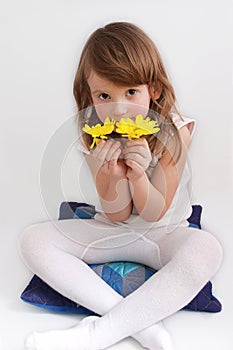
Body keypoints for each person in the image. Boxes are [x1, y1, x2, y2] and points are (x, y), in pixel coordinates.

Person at [20, 22, 223, 350]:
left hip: (166, 233)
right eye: (104, 95)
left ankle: (97, 334)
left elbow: (154, 212)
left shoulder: (175, 131)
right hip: (112, 231)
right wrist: (111, 174)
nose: (118, 109)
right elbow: (116, 214)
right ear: (89, 96)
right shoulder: (95, 133)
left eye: (131, 92)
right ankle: (137, 323)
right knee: (33, 241)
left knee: (206, 250)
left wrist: (140, 175)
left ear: (153, 89)